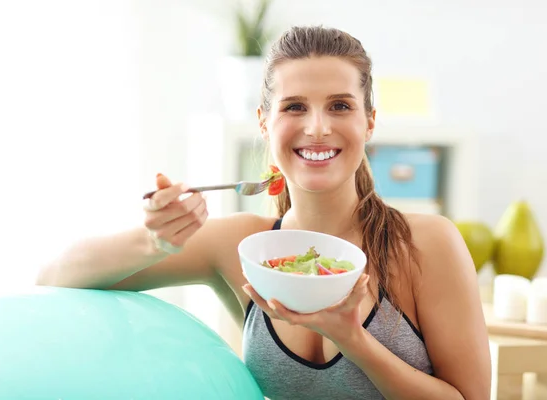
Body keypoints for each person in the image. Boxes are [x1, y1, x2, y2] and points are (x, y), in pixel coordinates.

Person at [36, 25, 491, 400]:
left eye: (340, 106)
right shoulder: (241, 246)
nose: (317, 127)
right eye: (295, 107)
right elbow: (56, 275)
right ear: (263, 121)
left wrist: (353, 340)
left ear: (369, 121)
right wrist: (155, 241)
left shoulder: (425, 243)